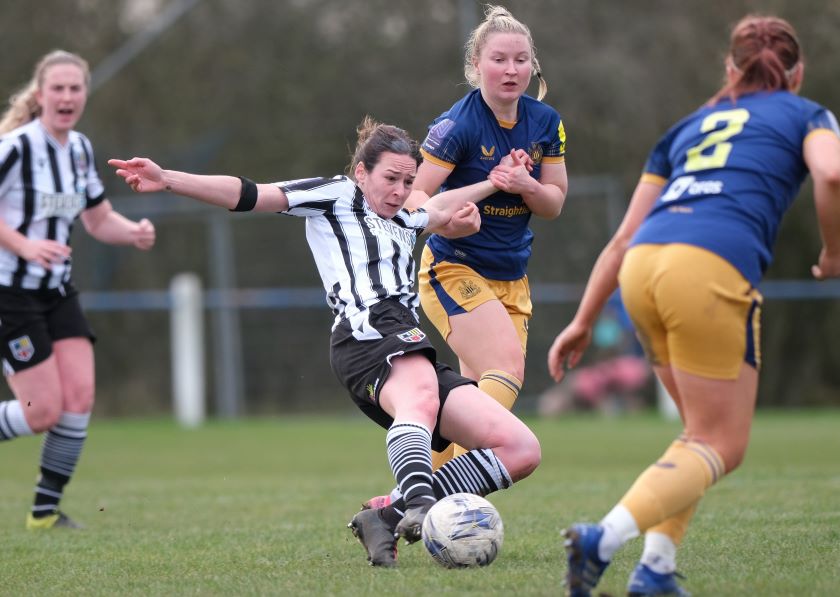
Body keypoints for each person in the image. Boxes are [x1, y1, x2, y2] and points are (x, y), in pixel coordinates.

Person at [109, 116, 541, 567]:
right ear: (361, 172)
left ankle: (387, 517)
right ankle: (418, 504)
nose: (398, 190)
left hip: (407, 340)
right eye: (389, 178)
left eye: (408, 181)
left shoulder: (406, 217)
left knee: (520, 448)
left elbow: (440, 206)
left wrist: (490, 185)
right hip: (365, 333)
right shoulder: (336, 195)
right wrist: (169, 179)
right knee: (420, 397)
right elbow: (250, 194)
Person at [548, 15, 840, 596]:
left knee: (697, 435)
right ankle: (601, 541)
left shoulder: (687, 127)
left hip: (643, 267)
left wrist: (584, 319)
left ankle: (656, 570)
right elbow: (833, 174)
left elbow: (620, 239)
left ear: (729, 69)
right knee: (723, 444)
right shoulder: (807, 113)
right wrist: (835, 248)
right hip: (705, 267)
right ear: (799, 72)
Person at [402, 4, 567, 467]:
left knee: (476, 398)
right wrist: (448, 221)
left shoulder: (546, 122)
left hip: (512, 279)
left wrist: (527, 185)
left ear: (532, 66)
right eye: (498, 59)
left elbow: (553, 203)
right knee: (507, 371)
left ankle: (418, 500)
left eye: (520, 59)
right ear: (476, 66)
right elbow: (412, 196)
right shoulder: (457, 125)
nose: (511, 70)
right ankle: (416, 492)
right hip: (453, 268)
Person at [0, 50, 156, 530]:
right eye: (58, 88)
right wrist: (24, 245)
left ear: (84, 94)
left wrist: (131, 231)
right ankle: (45, 510)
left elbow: (96, 218)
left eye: (75, 88)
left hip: (56, 291)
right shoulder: (18, 147)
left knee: (80, 396)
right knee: (41, 410)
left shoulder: (80, 149)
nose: (67, 97)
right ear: (41, 94)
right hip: (10, 292)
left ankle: (44, 513)